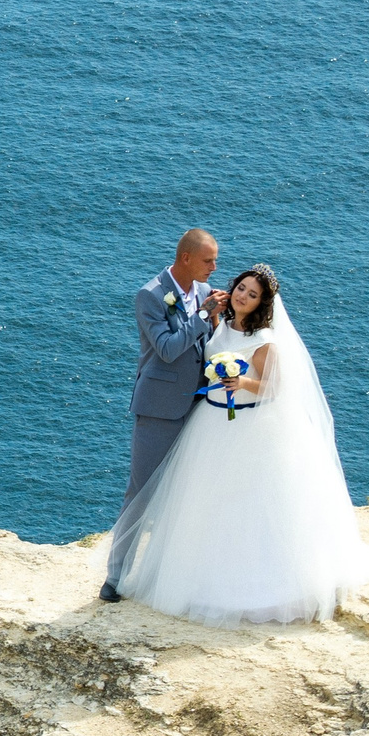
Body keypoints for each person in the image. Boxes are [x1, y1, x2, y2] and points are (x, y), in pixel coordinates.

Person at [105, 264, 369, 625]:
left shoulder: (264, 340)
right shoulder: (218, 324)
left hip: (248, 426)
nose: (243, 296)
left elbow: (276, 387)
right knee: (205, 501)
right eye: (241, 288)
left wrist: (244, 384)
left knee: (246, 504)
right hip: (210, 423)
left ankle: (250, 587)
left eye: (252, 295)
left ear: (262, 304)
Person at [99, 229, 224, 603]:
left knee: (191, 494)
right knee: (140, 493)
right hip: (159, 408)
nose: (214, 268)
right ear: (186, 258)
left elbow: (208, 346)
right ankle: (115, 579)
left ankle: (174, 577)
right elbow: (168, 349)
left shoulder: (204, 293)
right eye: (208, 261)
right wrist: (203, 317)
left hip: (200, 405)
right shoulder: (150, 295)